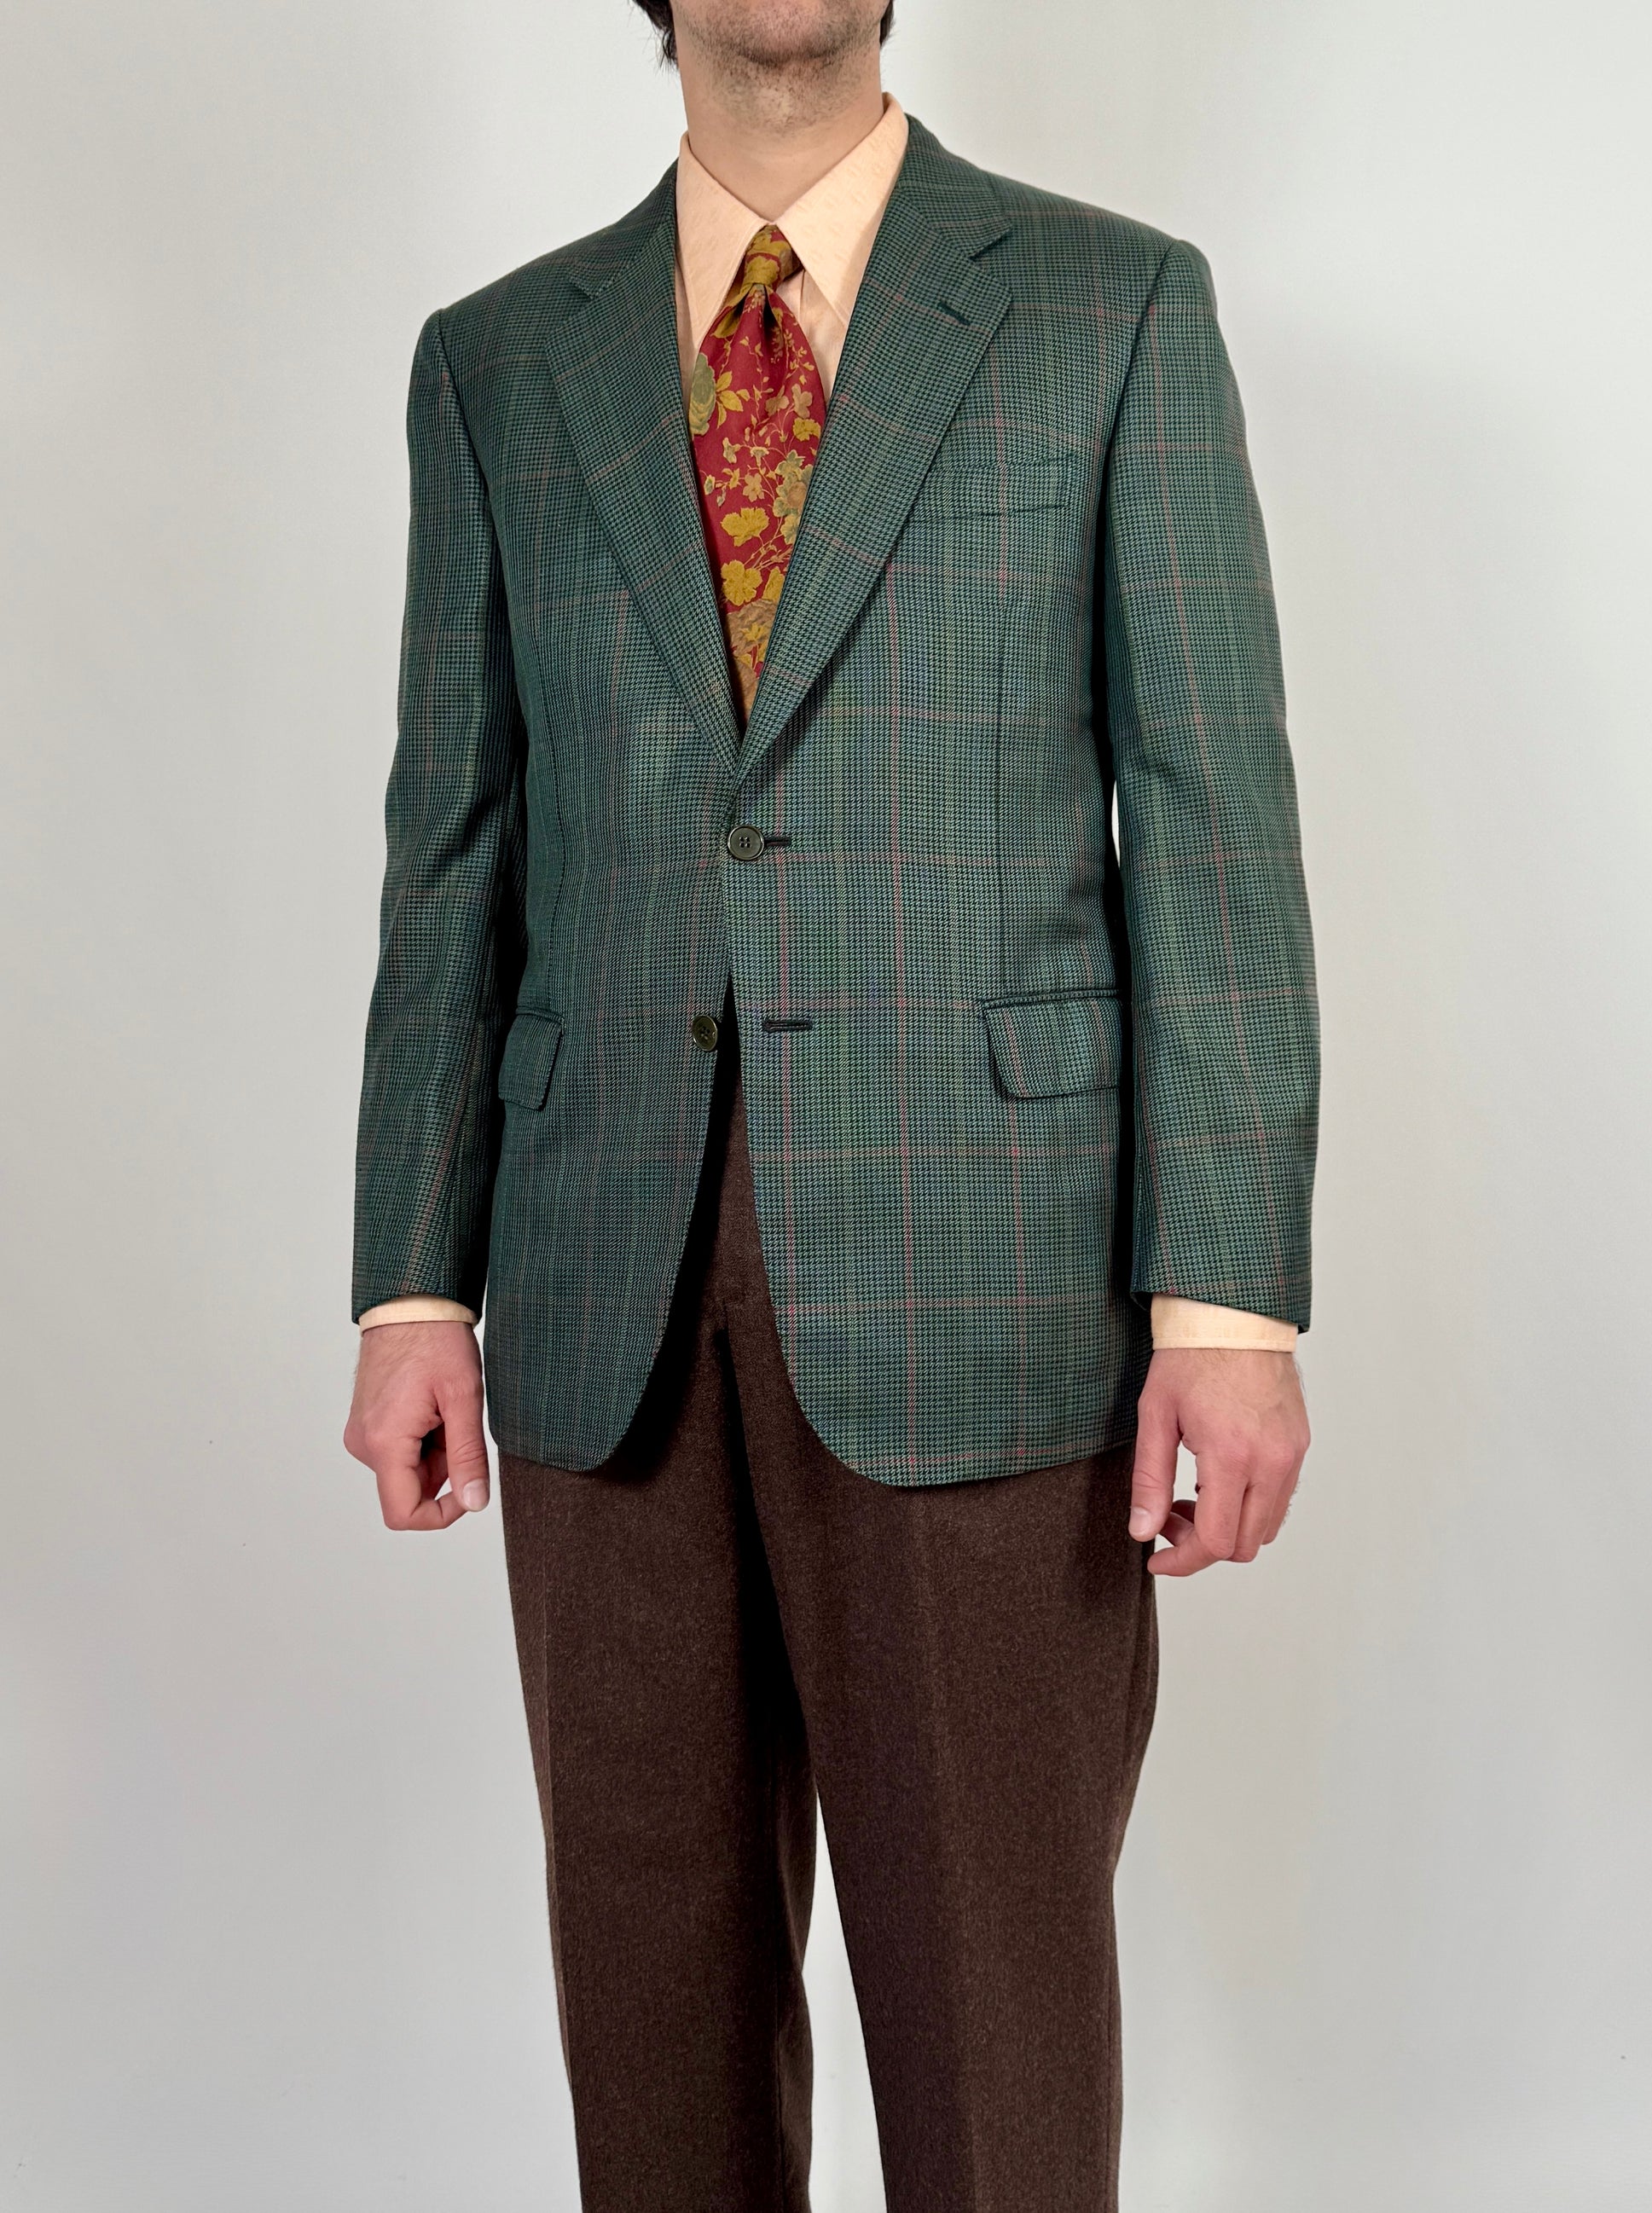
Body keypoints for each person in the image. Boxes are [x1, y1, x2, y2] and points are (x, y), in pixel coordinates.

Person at [344, 1, 1319, 2204]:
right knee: (654, 2067)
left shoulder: (1111, 308)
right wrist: (412, 1281)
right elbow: (452, 847)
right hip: (599, 1299)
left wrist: (1226, 1303)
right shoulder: (495, 364)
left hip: (991, 1286)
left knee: (996, 2069)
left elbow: (1209, 823)